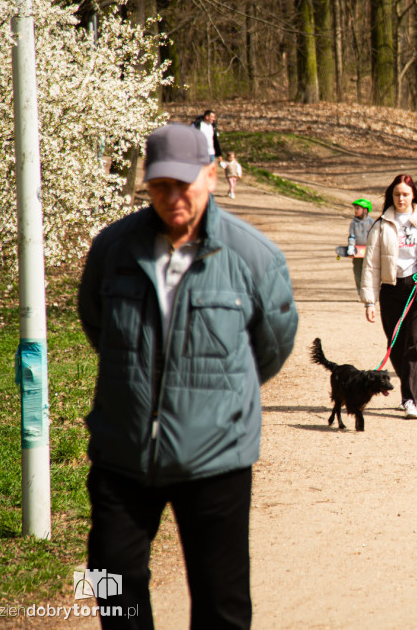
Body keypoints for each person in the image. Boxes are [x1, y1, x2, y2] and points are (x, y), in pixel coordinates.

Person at [77, 123, 298, 629]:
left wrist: (218, 399)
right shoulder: (112, 249)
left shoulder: (254, 256)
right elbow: (98, 326)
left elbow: (272, 344)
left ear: (211, 176)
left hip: (217, 458)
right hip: (122, 451)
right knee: (108, 578)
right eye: (160, 185)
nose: (172, 197)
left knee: (222, 602)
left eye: (184, 183)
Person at [360, 174, 417, 420]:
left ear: (413, 196)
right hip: (391, 290)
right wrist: (369, 301)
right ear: (391, 196)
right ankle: (408, 385)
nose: (401, 199)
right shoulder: (380, 225)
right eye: (397, 194)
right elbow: (371, 266)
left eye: (405, 194)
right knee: (397, 346)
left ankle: (410, 398)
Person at [347, 198, 375, 292]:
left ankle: (370, 291)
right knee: (358, 272)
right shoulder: (353, 223)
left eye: (358, 208)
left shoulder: (372, 222)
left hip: (369, 252)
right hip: (357, 252)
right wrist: (351, 247)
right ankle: (360, 291)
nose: (355, 211)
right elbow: (351, 236)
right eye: (355, 209)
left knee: (369, 272)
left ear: (365, 210)